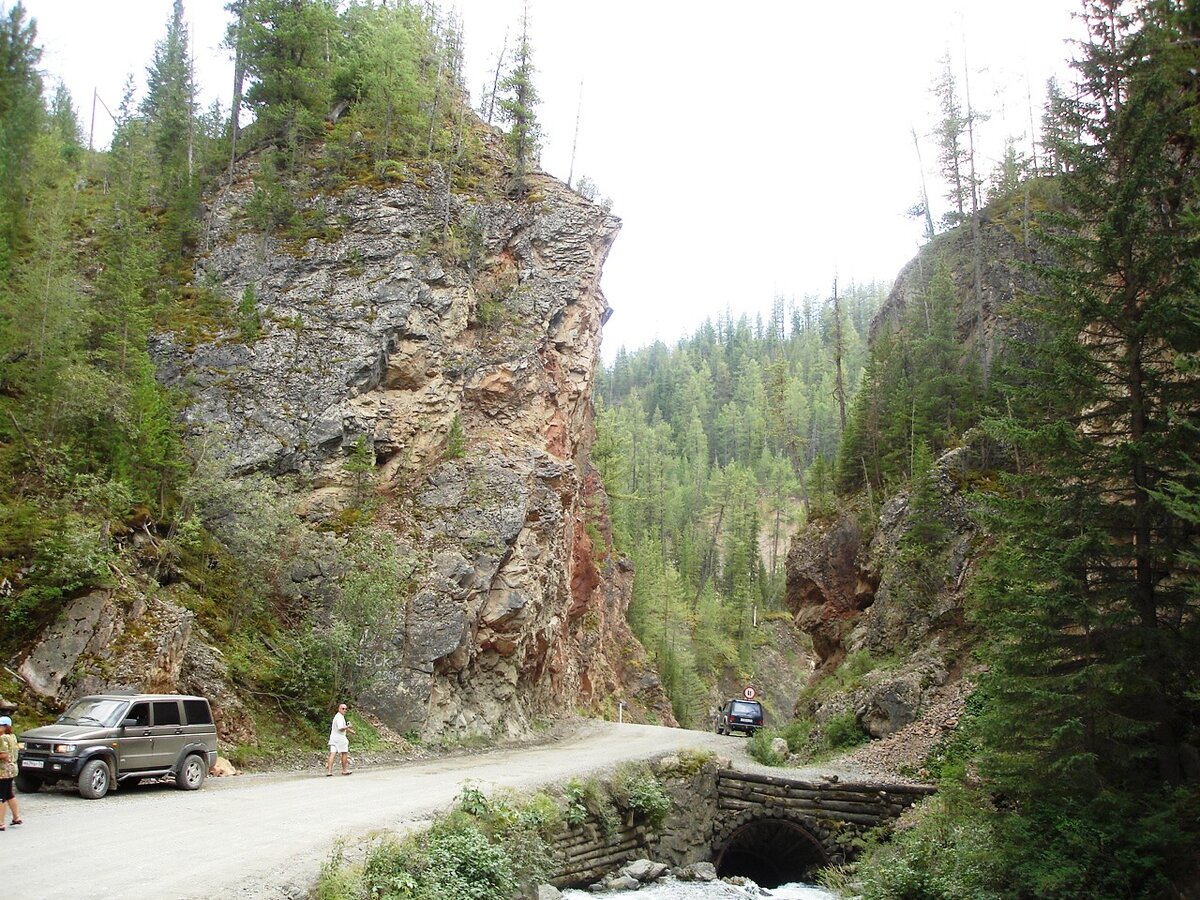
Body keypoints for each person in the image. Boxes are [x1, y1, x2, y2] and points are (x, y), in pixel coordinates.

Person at [0, 715, 22, 830]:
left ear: (5, 727)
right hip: (12, 769)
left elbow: (4, 755)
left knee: (1, 796)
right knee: (9, 794)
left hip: (3, 771)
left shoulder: (2, 738)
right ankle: (16, 817)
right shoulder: (13, 736)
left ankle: (1, 822)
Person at [325, 703, 354, 776]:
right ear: (339, 709)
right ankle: (344, 770)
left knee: (332, 753)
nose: (344, 710)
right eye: (343, 708)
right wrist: (348, 726)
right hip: (340, 739)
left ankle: (329, 771)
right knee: (344, 753)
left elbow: (340, 727)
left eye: (346, 709)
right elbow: (340, 728)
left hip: (333, 738)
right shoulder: (339, 717)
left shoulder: (337, 717)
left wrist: (350, 730)